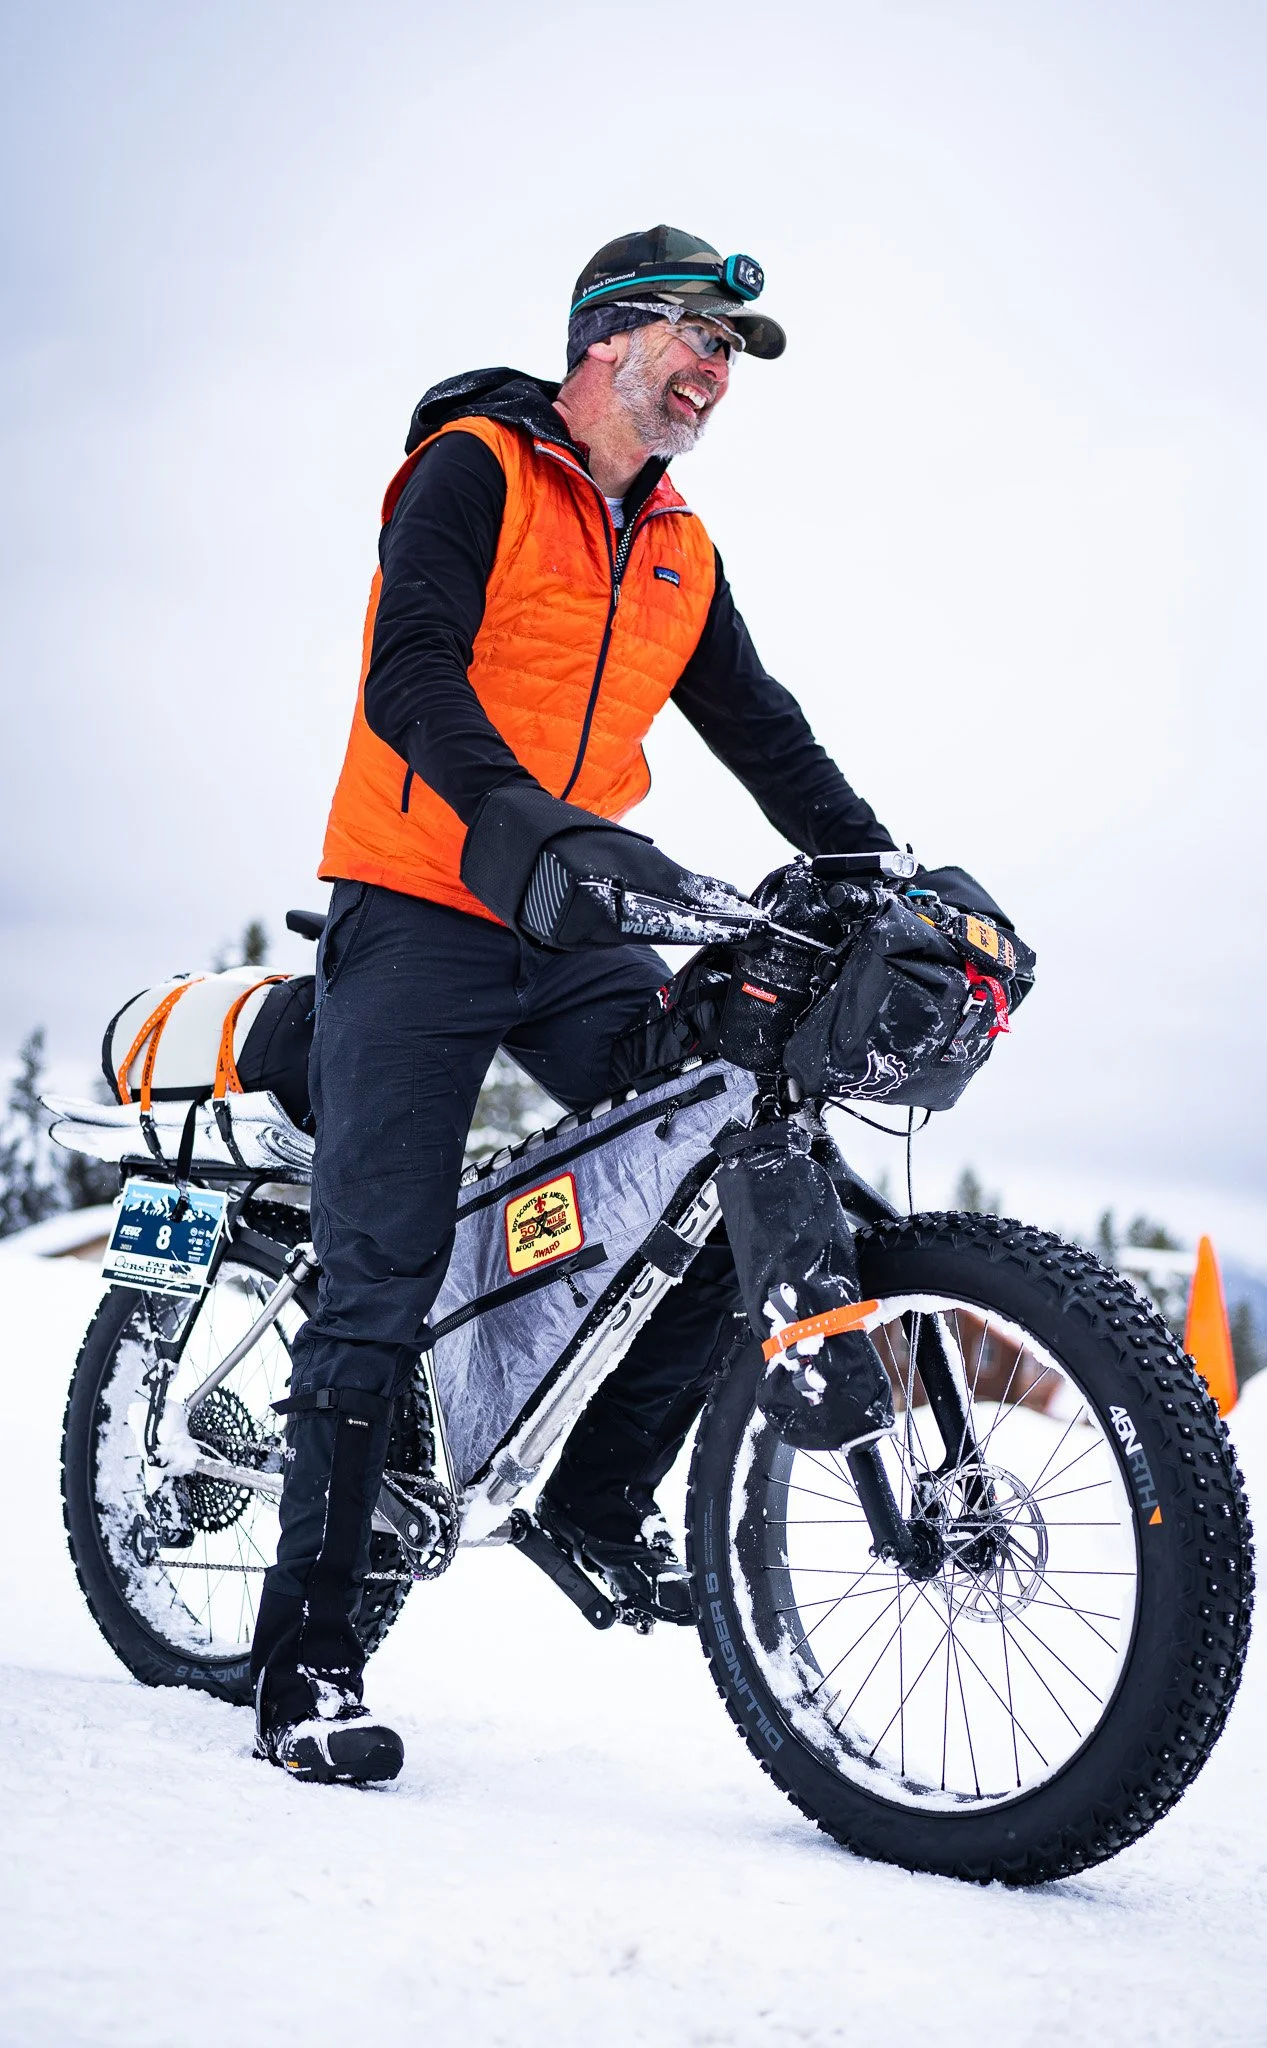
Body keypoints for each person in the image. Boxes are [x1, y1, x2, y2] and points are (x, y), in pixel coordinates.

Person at [250, 225, 898, 1784]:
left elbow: (760, 727)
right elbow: (410, 673)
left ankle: (594, 1500)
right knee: (381, 1271)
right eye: (700, 338)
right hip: (424, 899)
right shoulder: (474, 471)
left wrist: (878, 865)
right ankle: (304, 1666)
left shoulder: (680, 544)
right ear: (609, 334)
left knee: (724, 1147)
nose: (716, 373)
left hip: (574, 920)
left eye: (730, 356)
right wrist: (513, 816)